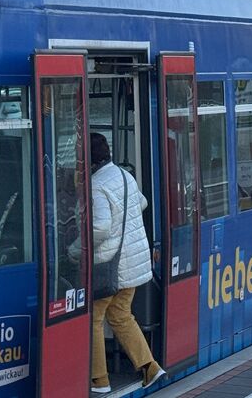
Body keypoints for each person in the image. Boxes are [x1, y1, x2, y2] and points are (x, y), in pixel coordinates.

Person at [86, 133, 165, 393]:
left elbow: (100, 227)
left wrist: (78, 249)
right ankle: (149, 367)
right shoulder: (123, 175)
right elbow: (141, 202)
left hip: (111, 266)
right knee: (120, 316)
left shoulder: (96, 185)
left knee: (94, 319)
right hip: (134, 263)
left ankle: (99, 380)